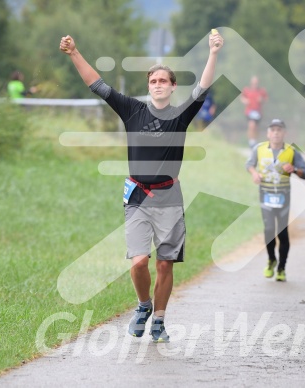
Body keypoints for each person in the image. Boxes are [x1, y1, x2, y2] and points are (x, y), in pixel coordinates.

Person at [59, 31, 223, 343]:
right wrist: (74, 53)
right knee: (138, 262)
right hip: (137, 196)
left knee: (164, 262)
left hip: (169, 197)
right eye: (153, 81)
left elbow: (202, 88)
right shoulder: (133, 110)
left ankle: (159, 320)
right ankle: (143, 306)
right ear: (149, 87)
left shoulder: (179, 115)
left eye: (163, 81)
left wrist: (213, 53)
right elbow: (98, 85)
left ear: (173, 87)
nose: (158, 85)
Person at [246, 119, 305, 282]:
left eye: (279, 130)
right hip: (265, 194)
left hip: (283, 196)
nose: (275, 133)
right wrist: (254, 174)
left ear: (284, 133)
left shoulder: (292, 151)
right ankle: (271, 259)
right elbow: (249, 164)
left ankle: (281, 268)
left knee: (282, 232)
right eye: (272, 130)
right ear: (268, 133)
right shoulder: (259, 149)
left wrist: (294, 169)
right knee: (268, 229)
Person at [240, 75, 268, 148]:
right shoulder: (247, 90)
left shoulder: (261, 91)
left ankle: (255, 141)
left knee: (256, 127)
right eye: (253, 82)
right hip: (249, 111)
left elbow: (265, 99)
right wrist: (245, 101)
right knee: (251, 125)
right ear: (251, 82)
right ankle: (251, 141)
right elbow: (242, 97)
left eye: (256, 83)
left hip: (258, 112)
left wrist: (262, 100)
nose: (255, 84)